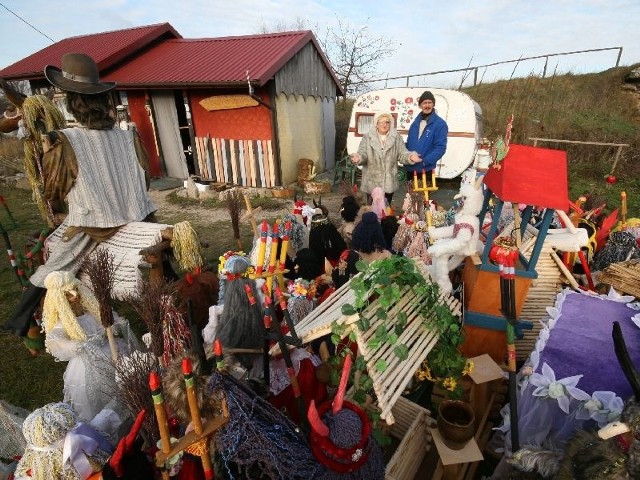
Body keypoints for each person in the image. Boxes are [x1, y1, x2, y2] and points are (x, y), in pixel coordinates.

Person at [4, 53, 156, 336]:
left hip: (93, 223)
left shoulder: (65, 140)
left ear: (73, 102)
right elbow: (145, 178)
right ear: (102, 100)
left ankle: (19, 321)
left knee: (56, 261)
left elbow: (54, 190)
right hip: (140, 213)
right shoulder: (128, 135)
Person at [350, 112, 420, 205]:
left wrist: (410, 157)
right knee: (372, 208)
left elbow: (402, 153)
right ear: (377, 124)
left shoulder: (396, 138)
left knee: (386, 208)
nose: (384, 124)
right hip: (372, 180)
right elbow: (363, 153)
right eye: (381, 122)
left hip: (389, 181)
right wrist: (358, 158)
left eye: (387, 122)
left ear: (390, 124)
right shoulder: (367, 137)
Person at [405, 90, 448, 178]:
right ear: (420, 105)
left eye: (430, 102)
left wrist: (425, 161)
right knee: (410, 192)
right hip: (410, 168)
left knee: (423, 192)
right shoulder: (415, 123)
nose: (427, 105)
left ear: (433, 104)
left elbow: (440, 148)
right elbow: (409, 143)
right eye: (424, 103)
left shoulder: (440, 124)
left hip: (425, 170)